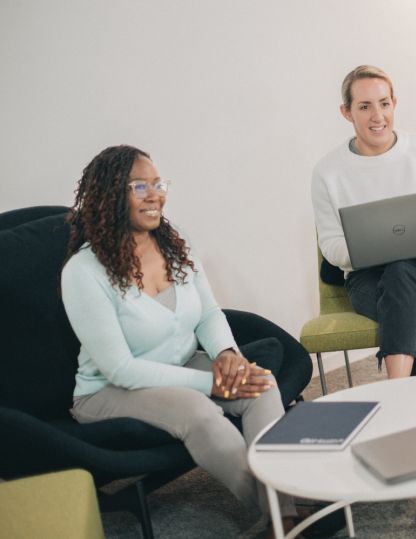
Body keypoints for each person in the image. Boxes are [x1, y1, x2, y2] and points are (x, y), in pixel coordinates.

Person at [60, 145, 317, 531]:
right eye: (140, 187)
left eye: (158, 183)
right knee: (198, 412)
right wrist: (210, 381)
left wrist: (228, 355)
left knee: (259, 384)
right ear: (111, 195)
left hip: (177, 365)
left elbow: (209, 313)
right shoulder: (83, 272)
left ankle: (285, 499)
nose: (156, 195)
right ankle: (285, 516)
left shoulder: (172, 242)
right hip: (108, 390)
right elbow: (122, 368)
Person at [311, 65, 416, 378]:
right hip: (368, 279)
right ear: (346, 112)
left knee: (400, 271)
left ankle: (396, 391)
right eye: (365, 106)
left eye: (384, 103)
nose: (377, 116)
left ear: (394, 104)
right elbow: (330, 243)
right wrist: (369, 252)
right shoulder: (327, 171)